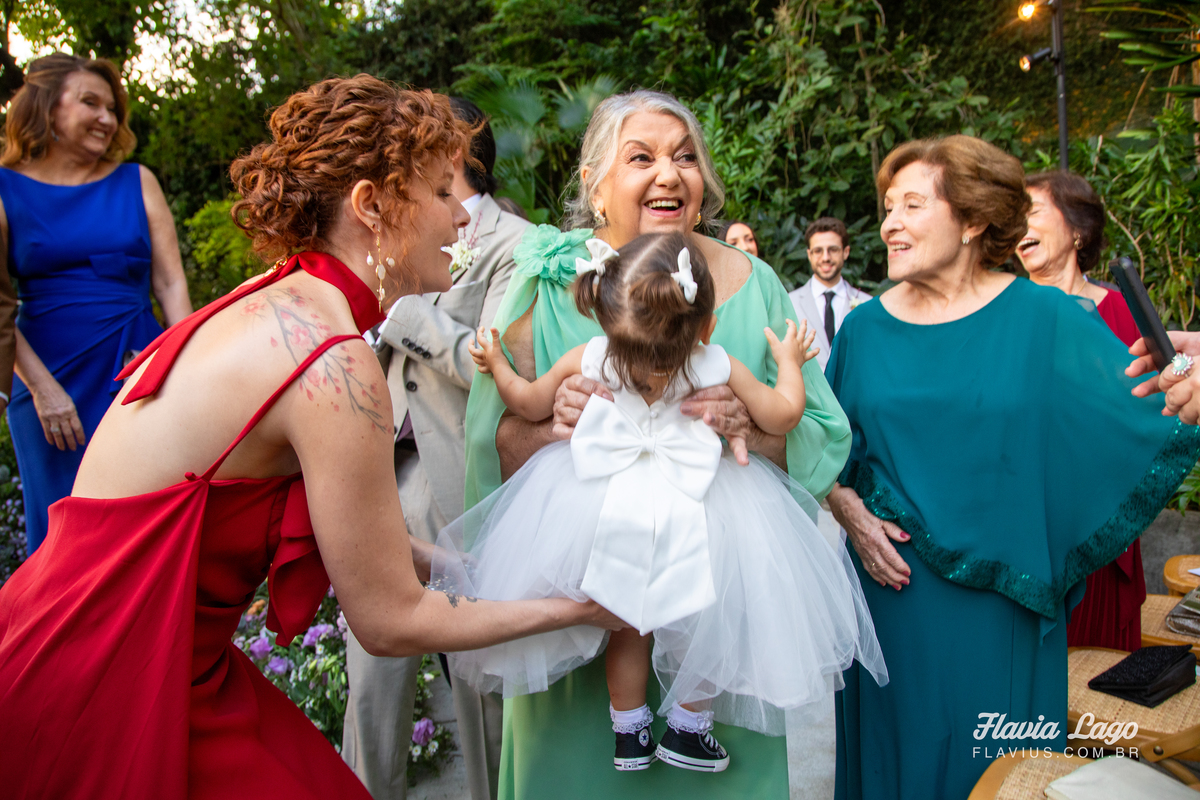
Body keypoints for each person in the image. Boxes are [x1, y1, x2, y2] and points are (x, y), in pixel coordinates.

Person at [0, 76, 621, 799]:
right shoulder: (331, 357)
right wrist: (582, 607)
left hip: (88, 643)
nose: (461, 220)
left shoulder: (279, 298)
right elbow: (390, 619)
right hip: (106, 683)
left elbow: (361, 541)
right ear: (370, 206)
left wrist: (463, 564)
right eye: (441, 194)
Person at [462, 89, 853, 800]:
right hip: (578, 623)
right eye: (641, 157)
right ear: (594, 183)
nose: (670, 174)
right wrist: (552, 430)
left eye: (686, 157)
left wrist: (747, 427)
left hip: (722, 624)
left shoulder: (753, 285)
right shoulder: (550, 283)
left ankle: (687, 729)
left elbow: (820, 434)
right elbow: (493, 441)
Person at [826, 135, 1200, 800]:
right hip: (887, 601)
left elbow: (1144, 412)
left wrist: (1190, 387)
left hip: (1001, 611)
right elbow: (825, 451)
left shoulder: (1049, 319)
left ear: (972, 221)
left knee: (999, 774)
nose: (889, 223)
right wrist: (847, 509)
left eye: (912, 204)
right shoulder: (863, 331)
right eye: (887, 207)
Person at [443, 231, 884, 774]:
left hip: (613, 505)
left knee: (628, 617)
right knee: (702, 613)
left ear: (607, 314)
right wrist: (790, 360)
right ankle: (688, 730)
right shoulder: (714, 362)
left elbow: (528, 401)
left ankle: (629, 731)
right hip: (698, 505)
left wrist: (500, 366)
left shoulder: (593, 356)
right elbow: (784, 415)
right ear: (706, 324)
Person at [342, 96, 529, 800]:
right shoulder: (391, 230)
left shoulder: (516, 244)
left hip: (460, 477)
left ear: (457, 155)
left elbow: (501, 367)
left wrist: (404, 312)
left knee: (481, 687)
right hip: (377, 478)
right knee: (371, 686)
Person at [0, 52, 192, 554]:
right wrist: (43, 391)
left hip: (135, 368)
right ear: (45, 106)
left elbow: (171, 284)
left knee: (144, 530)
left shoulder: (137, 182)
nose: (108, 119)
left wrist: (181, 363)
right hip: (44, 380)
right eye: (91, 103)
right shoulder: (4, 188)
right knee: (61, 541)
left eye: (113, 109)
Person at [1017, 170, 1144, 652]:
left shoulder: (1120, 307)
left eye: (1031, 212)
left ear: (1077, 230)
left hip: (1106, 528)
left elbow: (1167, 373)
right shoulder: (1005, 312)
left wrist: (1187, 365)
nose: (1019, 226)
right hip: (1032, 530)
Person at [788, 217, 871, 370]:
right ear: (809, 254)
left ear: (846, 252)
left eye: (833, 250)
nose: (825, 258)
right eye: (818, 251)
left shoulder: (868, 304)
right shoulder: (789, 303)